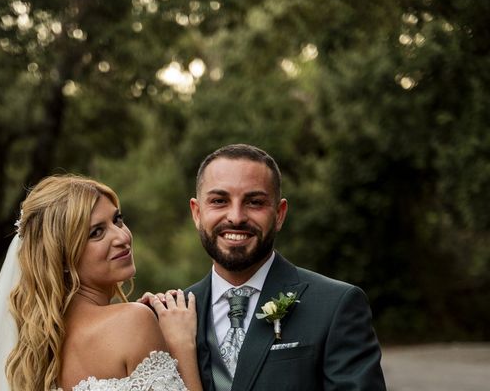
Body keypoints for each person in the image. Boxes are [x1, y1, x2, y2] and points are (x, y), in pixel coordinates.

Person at [157, 144, 387, 391]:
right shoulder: (169, 315)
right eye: (219, 201)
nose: (235, 217)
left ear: (279, 214)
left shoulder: (336, 305)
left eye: (254, 202)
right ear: (197, 213)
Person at [0, 174, 202, 391]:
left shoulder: (34, 351)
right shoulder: (134, 321)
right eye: (96, 233)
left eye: (117, 220)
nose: (122, 237)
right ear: (63, 257)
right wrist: (182, 346)